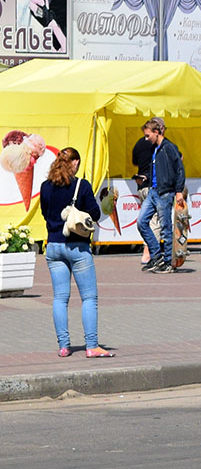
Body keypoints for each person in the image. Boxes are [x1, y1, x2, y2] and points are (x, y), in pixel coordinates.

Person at [39, 147, 113, 358]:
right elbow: (95, 214)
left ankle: (64, 346)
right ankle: (91, 346)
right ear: (76, 163)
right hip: (78, 247)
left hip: (53, 246)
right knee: (89, 298)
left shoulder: (45, 187)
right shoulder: (82, 185)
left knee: (60, 298)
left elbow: (45, 213)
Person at [135, 117, 186, 274]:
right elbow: (158, 170)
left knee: (165, 228)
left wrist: (178, 191)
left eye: (148, 135)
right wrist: (147, 178)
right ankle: (156, 255)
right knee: (141, 222)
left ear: (156, 132)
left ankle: (168, 262)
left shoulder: (169, 147)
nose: (146, 138)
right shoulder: (155, 149)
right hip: (153, 191)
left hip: (165, 193)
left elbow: (179, 169)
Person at [131, 125, 160, 265]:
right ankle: (149, 252)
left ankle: (149, 251)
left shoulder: (138, 143)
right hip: (151, 185)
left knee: (144, 220)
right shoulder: (158, 145)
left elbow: (134, 161)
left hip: (141, 185)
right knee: (154, 220)